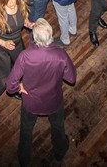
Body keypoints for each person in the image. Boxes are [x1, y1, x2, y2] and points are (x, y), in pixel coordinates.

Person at [5, 18, 76, 166]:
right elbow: (71, 78)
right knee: (57, 126)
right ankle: (60, 151)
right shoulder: (60, 55)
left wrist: (19, 88)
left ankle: (24, 158)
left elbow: (10, 85)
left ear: (35, 38)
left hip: (31, 102)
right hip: (53, 101)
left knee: (26, 130)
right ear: (50, 35)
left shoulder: (25, 56)